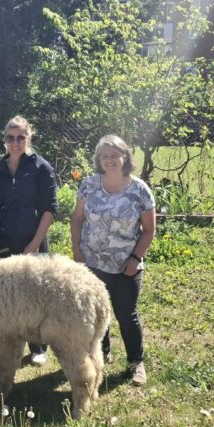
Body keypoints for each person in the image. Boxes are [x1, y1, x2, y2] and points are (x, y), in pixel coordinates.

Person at [71, 134, 156, 386]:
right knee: (96, 313)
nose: (109, 160)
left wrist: (135, 257)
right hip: (92, 262)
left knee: (125, 314)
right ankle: (101, 354)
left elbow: (149, 229)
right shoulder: (88, 185)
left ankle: (135, 362)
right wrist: (77, 251)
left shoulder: (139, 190)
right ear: (99, 159)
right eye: (104, 156)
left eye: (114, 155)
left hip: (124, 266)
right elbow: (77, 219)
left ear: (125, 157)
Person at [0, 115, 58, 366]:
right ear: (5, 140)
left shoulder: (41, 168)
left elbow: (49, 210)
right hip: (6, 240)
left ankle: (38, 347)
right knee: (7, 294)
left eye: (21, 137)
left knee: (34, 296)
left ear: (29, 138)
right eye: (10, 138)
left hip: (34, 239)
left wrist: (35, 244)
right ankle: (7, 345)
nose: (15, 142)